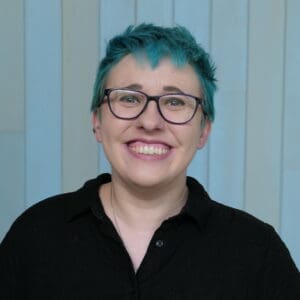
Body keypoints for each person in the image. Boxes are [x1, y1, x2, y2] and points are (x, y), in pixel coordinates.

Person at [0, 23, 299, 299]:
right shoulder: (34, 236)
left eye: (175, 102)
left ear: (203, 131)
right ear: (97, 122)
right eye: (129, 98)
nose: (150, 121)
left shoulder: (258, 253)